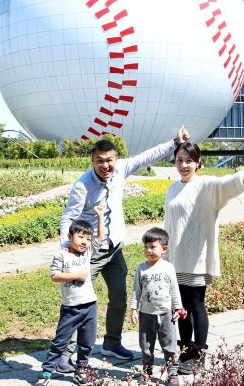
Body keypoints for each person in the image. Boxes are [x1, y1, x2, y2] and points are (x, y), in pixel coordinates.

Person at [59, 127, 189, 362]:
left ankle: (111, 343)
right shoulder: (82, 186)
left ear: (116, 159)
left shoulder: (121, 170)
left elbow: (147, 156)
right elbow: (68, 217)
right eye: (100, 161)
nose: (105, 166)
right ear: (92, 161)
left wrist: (174, 142)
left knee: (118, 297)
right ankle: (64, 353)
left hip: (114, 249)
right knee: (77, 300)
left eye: (109, 160)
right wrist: (67, 247)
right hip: (90, 252)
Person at [163, 142, 244, 375]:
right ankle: (185, 350)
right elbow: (169, 223)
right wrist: (164, 252)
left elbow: (227, 184)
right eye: (180, 160)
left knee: (196, 305)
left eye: (189, 161)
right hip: (175, 258)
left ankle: (199, 354)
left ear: (198, 162)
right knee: (180, 306)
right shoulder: (172, 188)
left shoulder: (206, 185)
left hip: (197, 258)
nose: (184, 165)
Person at [36, 207, 105, 386]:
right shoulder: (61, 255)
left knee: (87, 342)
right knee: (60, 341)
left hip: (90, 305)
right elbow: (54, 276)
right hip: (71, 307)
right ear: (69, 237)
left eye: (88, 239)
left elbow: (101, 237)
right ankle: (46, 372)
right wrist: (75, 276)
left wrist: (100, 216)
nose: (85, 242)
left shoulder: (88, 253)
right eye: (80, 237)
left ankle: (80, 370)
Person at [130, 227, 186, 386]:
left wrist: (178, 308)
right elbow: (136, 290)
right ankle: (147, 370)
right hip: (146, 314)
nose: (148, 250)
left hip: (166, 314)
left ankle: (172, 372)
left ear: (164, 249)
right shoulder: (141, 268)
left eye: (152, 247)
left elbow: (175, 290)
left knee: (170, 345)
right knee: (146, 346)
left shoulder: (169, 268)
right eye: (145, 246)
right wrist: (134, 309)